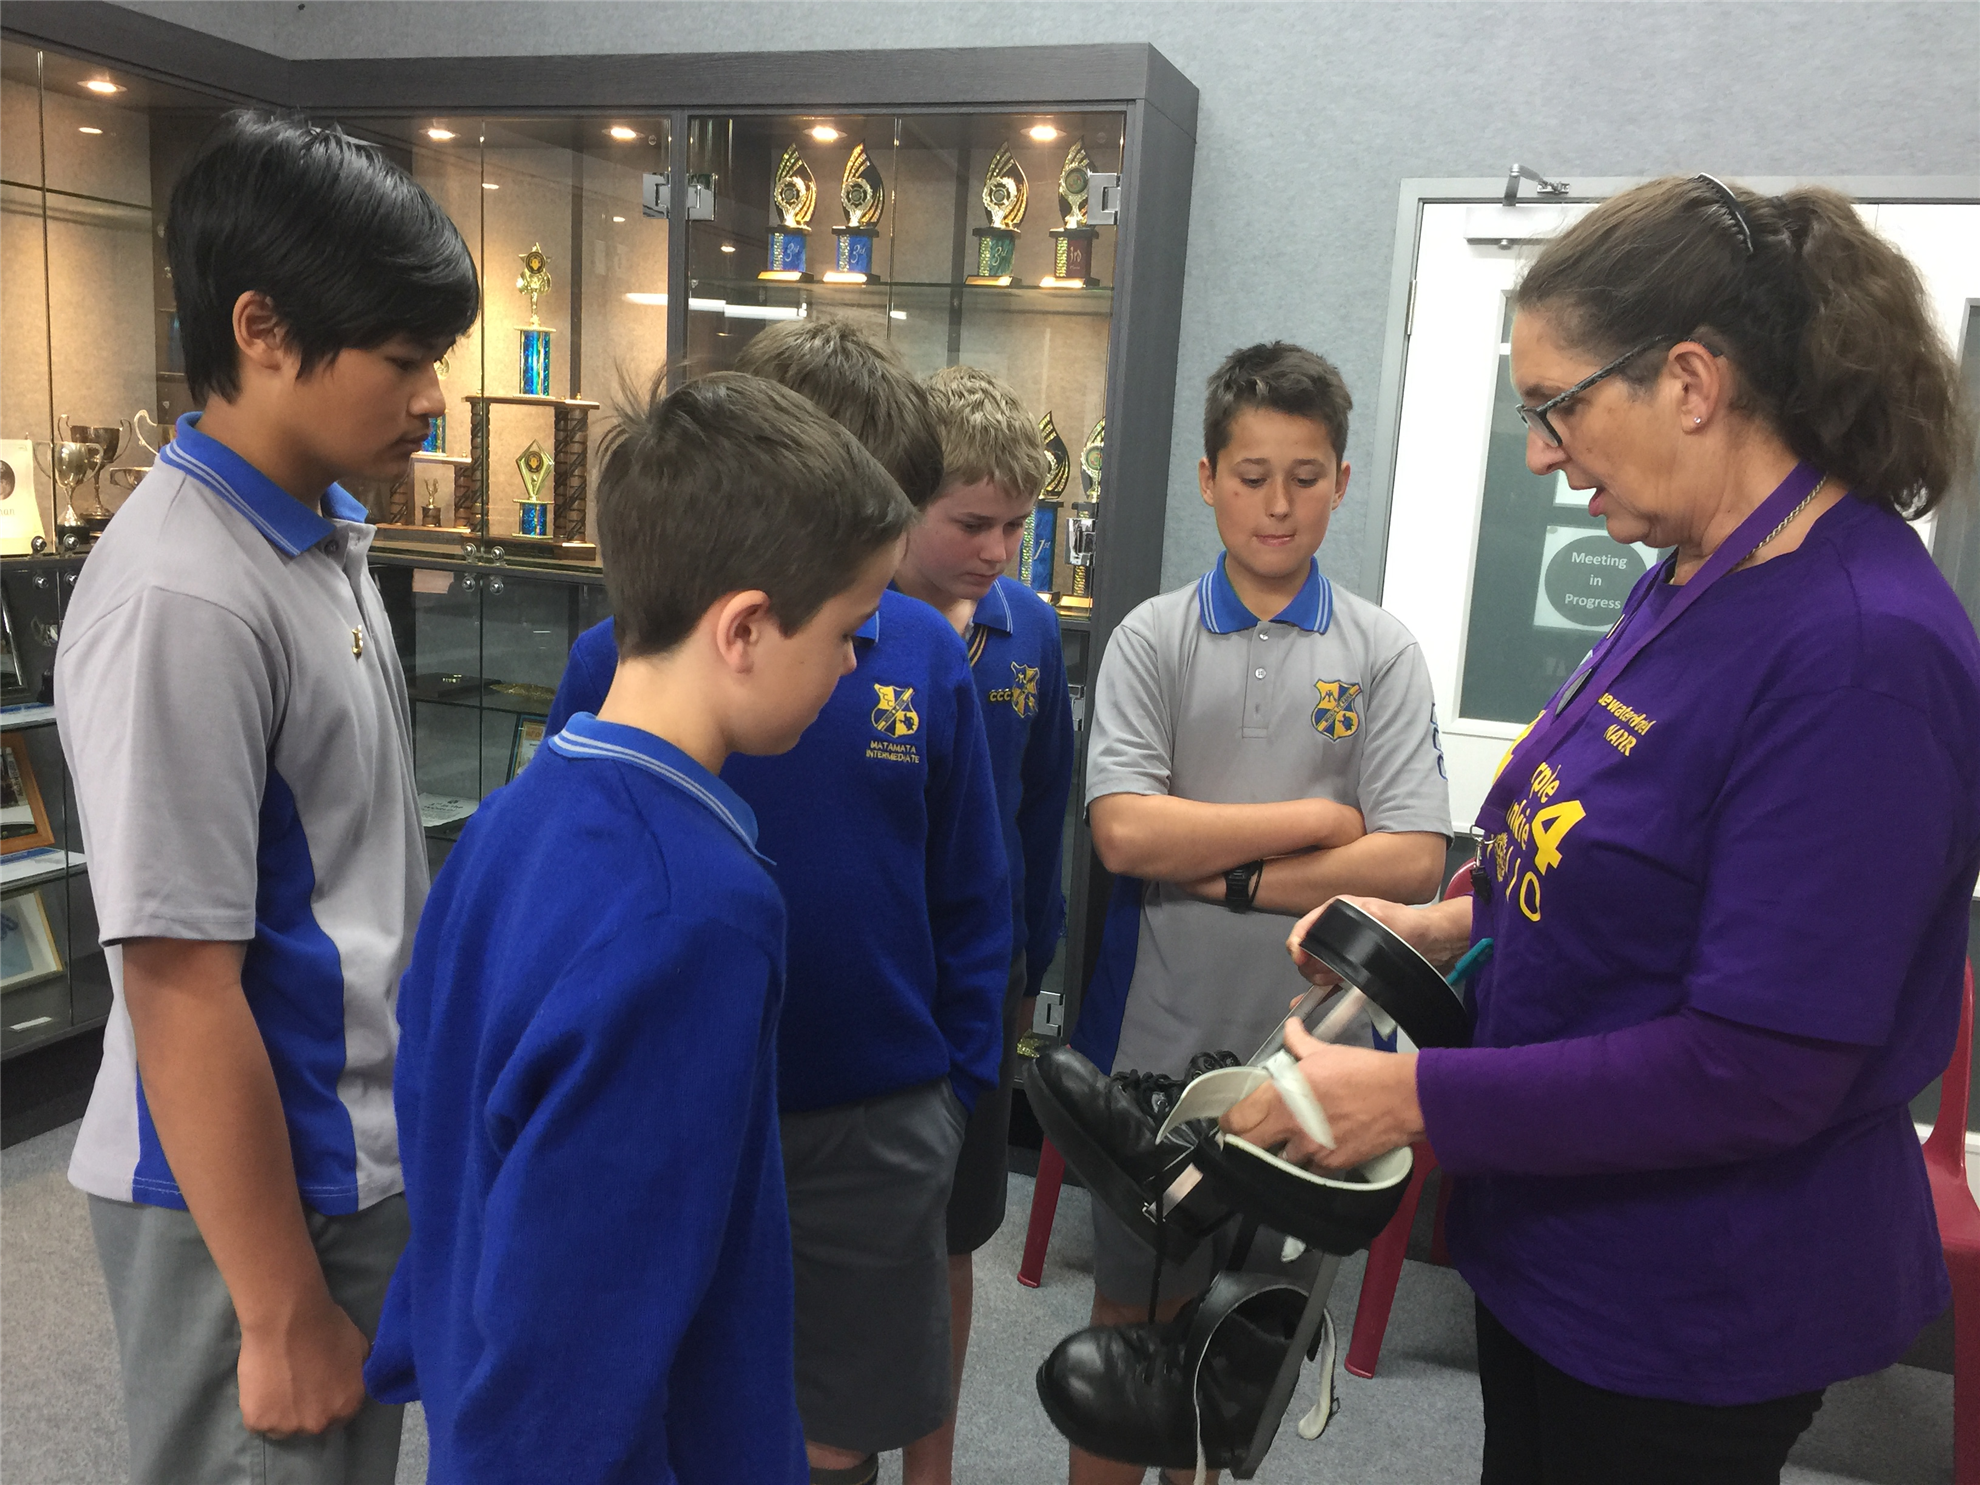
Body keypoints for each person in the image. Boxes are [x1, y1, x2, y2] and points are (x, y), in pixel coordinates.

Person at [1225, 176, 1980, 1485]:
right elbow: (1632, 851)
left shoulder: (1861, 654)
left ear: (1690, 380)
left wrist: (1405, 1096)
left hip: (1695, 1301)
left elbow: (1758, 1067)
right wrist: (1452, 914)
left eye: (1556, 406)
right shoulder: (1693, 571)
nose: (1540, 452)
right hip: (1559, 1240)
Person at [366, 373, 913, 1483]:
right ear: (747, 629)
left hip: (480, 1400)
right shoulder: (697, 910)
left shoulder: (510, 819)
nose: (859, 667)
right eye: (852, 632)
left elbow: (434, 1102)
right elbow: (583, 1307)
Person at [54, 111, 478, 1484]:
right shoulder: (183, 590)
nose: (432, 401)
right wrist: (279, 1299)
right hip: (247, 1201)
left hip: (348, 1166)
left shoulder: (318, 534)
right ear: (263, 330)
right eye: (408, 361)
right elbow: (177, 976)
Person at [544, 321, 1010, 1485]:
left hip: (870, 1119)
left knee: (832, 1433)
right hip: (675, 1111)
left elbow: (974, 896)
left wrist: (949, 1093)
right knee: (677, 1399)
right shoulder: (620, 659)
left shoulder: (919, 654)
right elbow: (568, 896)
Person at [1075, 340, 1451, 1485]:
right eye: (1250, 474)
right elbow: (1127, 836)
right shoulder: (1152, 636)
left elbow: (1418, 863)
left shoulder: (1380, 651)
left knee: (1240, 1347)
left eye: (1305, 474)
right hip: (1159, 1036)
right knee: (1132, 1331)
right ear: (1205, 479)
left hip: (1320, 1053)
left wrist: (1230, 872)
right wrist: (1317, 822)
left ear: (1341, 480)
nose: (1277, 503)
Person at [894, 363, 1076, 1476]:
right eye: (972, 522)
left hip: (982, 978)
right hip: (870, 973)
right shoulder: (848, 625)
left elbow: (1044, 806)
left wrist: (1025, 964)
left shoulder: (1030, 632)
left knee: (954, 1236)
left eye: (1019, 524)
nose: (1000, 548)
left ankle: (934, 1466)